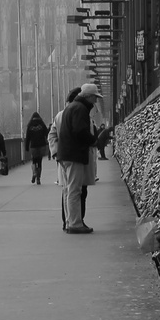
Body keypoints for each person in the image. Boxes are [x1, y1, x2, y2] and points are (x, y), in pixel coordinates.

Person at [57, 83, 100, 234]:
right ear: (88, 96)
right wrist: (94, 140)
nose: (95, 101)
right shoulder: (80, 109)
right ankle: (75, 223)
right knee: (75, 191)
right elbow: (80, 131)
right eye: (95, 97)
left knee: (68, 190)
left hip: (65, 154)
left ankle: (70, 221)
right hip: (74, 154)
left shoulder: (71, 107)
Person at [24, 112, 50, 184]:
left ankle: (34, 173)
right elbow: (47, 133)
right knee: (39, 161)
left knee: (34, 161)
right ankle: (38, 178)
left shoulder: (30, 126)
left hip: (33, 146)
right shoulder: (42, 125)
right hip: (42, 145)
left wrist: (26, 147)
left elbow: (28, 138)